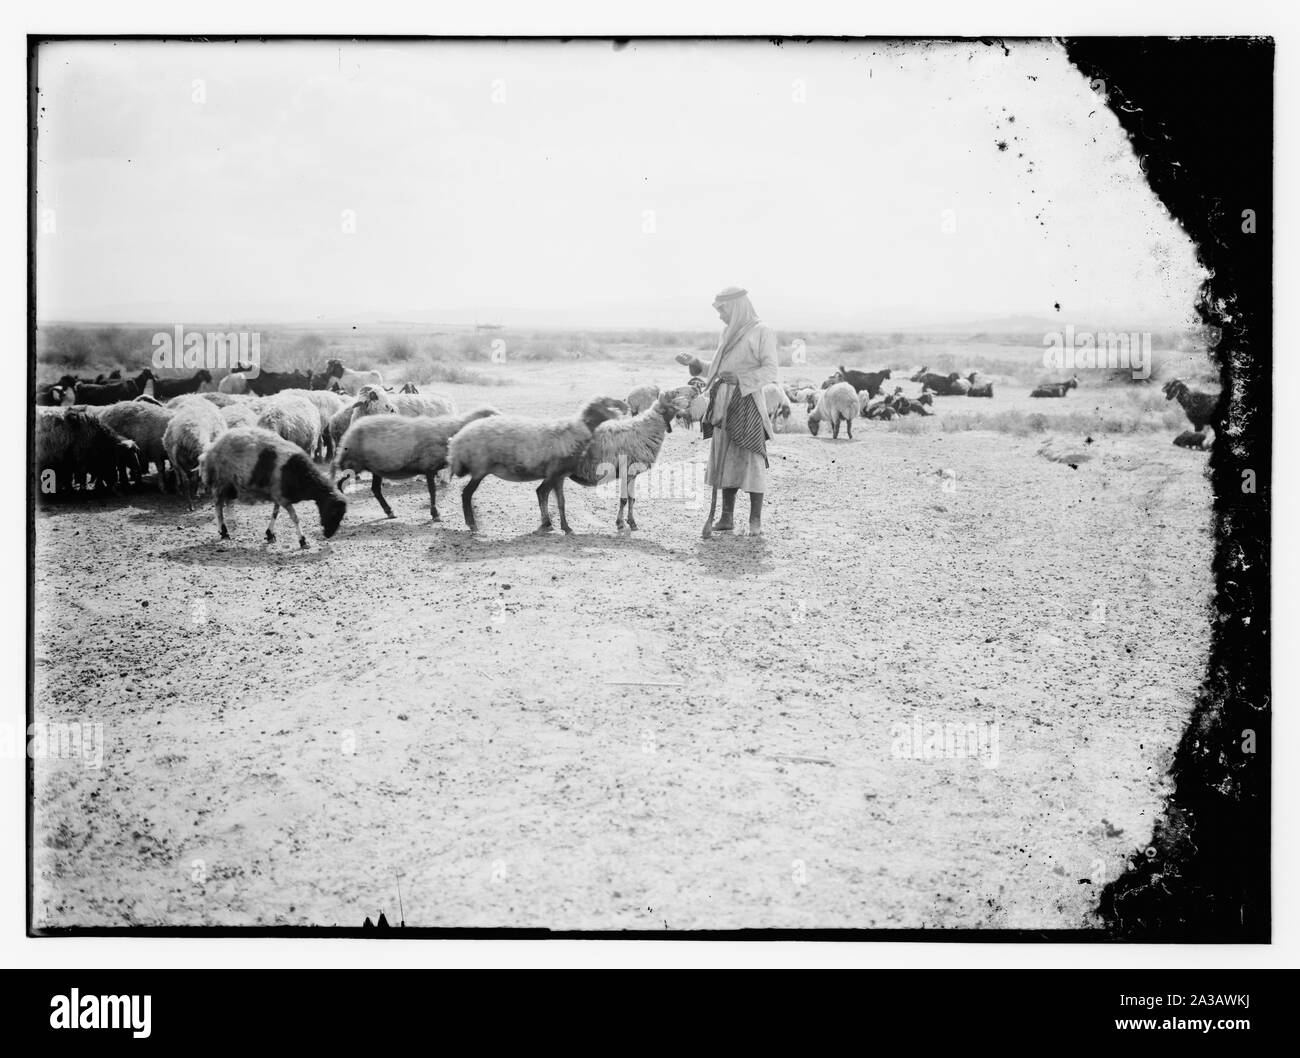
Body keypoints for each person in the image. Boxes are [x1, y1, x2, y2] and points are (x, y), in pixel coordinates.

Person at [698, 286, 779, 536]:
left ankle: (755, 522)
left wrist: (741, 378)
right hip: (723, 403)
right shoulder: (727, 332)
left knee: (751, 459)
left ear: (735, 307)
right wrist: (696, 364)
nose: (720, 316)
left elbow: (770, 370)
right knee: (725, 459)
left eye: (723, 310)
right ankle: (726, 518)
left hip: (748, 402)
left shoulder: (762, 331)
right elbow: (719, 369)